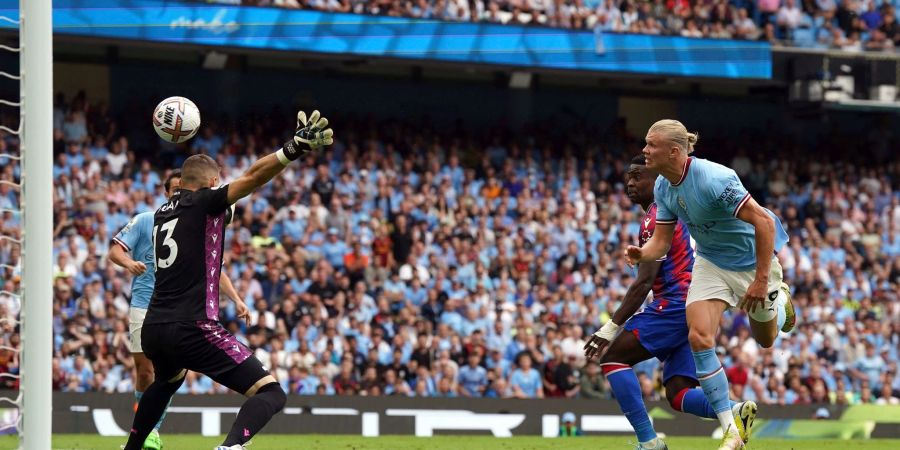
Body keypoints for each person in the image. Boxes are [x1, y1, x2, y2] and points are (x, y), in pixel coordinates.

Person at [122, 110, 333, 450]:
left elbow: (228, 205)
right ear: (210, 184)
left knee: (166, 381)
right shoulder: (206, 202)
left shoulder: (162, 213)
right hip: (193, 325)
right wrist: (293, 149)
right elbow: (252, 177)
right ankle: (230, 447)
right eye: (218, 182)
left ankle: (133, 448)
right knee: (271, 392)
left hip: (156, 327)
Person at [624, 120, 795, 450]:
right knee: (699, 335)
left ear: (674, 151)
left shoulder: (715, 178)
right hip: (711, 263)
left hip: (751, 262)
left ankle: (779, 299)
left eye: (651, 144)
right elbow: (660, 243)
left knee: (766, 340)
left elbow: (762, 221)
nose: (644, 150)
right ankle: (731, 430)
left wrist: (761, 280)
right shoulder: (663, 187)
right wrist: (642, 253)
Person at [584, 156, 756, 450]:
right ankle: (733, 411)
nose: (630, 183)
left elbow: (643, 282)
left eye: (638, 176)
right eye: (629, 176)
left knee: (613, 357)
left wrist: (610, 328)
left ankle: (649, 442)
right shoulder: (678, 212)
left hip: (676, 305)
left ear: (658, 181)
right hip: (695, 305)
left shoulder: (655, 219)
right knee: (677, 392)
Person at [108, 170, 250, 450]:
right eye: (173, 191)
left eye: (181, 190)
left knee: (171, 372)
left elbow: (214, 269)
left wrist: (236, 299)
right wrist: (129, 264)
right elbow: (115, 250)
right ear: (165, 194)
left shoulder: (195, 221)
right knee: (145, 370)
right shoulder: (147, 219)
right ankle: (144, 432)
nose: (178, 195)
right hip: (144, 301)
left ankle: (151, 432)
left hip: (177, 309)